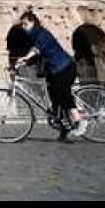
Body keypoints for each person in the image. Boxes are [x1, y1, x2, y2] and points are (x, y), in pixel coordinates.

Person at [14, 11, 87, 140]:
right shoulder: (34, 36)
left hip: (64, 67)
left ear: (33, 22)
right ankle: (64, 130)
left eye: (25, 24)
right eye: (22, 25)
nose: (23, 27)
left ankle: (78, 118)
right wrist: (24, 62)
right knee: (55, 102)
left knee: (63, 92)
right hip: (53, 71)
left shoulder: (42, 33)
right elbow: (39, 55)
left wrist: (26, 57)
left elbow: (37, 49)